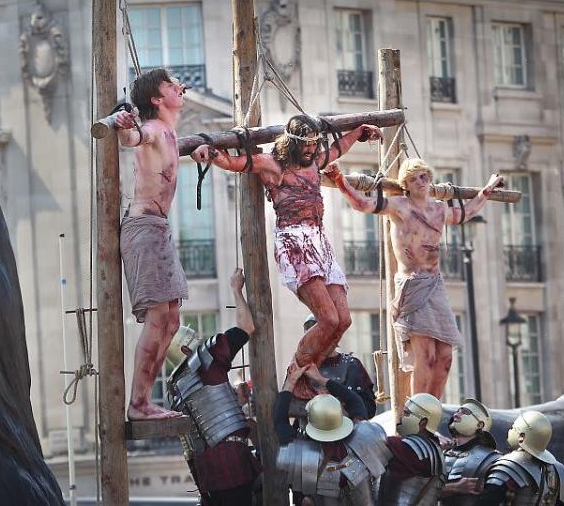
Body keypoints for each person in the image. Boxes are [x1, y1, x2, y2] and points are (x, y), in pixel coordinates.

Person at [191, 115, 382, 398]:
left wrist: (360, 131)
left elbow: (338, 148)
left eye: (314, 144)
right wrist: (209, 152)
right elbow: (236, 163)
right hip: (293, 242)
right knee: (327, 319)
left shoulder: (316, 161)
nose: (311, 150)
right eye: (306, 145)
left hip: (319, 242)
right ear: (292, 144)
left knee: (343, 320)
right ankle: (298, 372)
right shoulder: (273, 165)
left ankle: (309, 373)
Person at [327, 157, 504, 398]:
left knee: (445, 358)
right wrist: (339, 180)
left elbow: (469, 211)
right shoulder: (399, 206)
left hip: (435, 285)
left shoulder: (440, 210)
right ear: (406, 185)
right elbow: (362, 204)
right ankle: (415, 415)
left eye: (423, 176)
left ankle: (431, 412)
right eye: (413, 179)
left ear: (430, 179)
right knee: (427, 356)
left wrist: (489, 188)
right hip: (412, 286)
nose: (420, 182)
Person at [112, 68, 190, 420]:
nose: (180, 87)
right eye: (172, 85)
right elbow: (132, 138)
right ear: (157, 100)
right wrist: (125, 123)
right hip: (144, 227)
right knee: (159, 319)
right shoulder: (155, 130)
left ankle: (143, 401)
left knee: (171, 320)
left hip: (156, 228)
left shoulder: (171, 132)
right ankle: (139, 404)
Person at [165, 267, 258, 506]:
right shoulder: (205, 361)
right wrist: (236, 290)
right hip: (233, 467)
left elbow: (196, 434)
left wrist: (236, 404)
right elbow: (247, 327)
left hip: (207, 475)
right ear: (187, 350)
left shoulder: (175, 388)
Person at [274, 363, 390, 506]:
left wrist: (291, 382)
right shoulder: (362, 439)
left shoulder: (304, 457)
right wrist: (321, 379)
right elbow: (355, 402)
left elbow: (280, 421)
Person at [474, 411, 564, 506]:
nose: (510, 431)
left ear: (522, 436)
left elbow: (487, 501)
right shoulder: (559, 470)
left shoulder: (508, 466)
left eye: (513, 428)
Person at [378, 393, 447, 506]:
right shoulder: (435, 448)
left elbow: (381, 442)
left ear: (423, 422)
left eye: (407, 413)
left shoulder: (414, 448)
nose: (401, 417)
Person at [303, 314, 377, 418]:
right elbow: (288, 407)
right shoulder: (301, 367)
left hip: (348, 430)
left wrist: (343, 408)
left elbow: (368, 409)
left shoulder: (352, 365)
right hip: (311, 431)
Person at [440, 398, 500, 506]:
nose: (457, 414)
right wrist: (455, 487)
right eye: (457, 411)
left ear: (480, 425)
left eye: (464, 412)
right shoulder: (442, 454)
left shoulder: (492, 459)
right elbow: (423, 492)